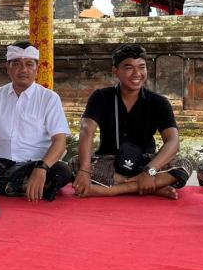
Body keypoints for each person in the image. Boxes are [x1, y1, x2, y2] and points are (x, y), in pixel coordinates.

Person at [72, 44, 193, 199]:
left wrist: (150, 171)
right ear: (115, 70)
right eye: (129, 67)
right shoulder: (100, 97)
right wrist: (85, 170)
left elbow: (173, 141)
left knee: (184, 164)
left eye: (141, 67)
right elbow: (87, 130)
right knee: (76, 165)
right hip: (110, 162)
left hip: (145, 163)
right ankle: (149, 187)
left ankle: (111, 190)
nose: (137, 73)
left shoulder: (159, 102)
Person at [0, 42, 72, 202]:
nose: (23, 70)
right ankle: (20, 186)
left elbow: (60, 141)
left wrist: (41, 168)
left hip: (34, 165)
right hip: (1, 163)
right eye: (17, 64)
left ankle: (2, 185)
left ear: (37, 68)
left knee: (63, 171)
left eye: (29, 64)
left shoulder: (49, 98)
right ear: (7, 67)